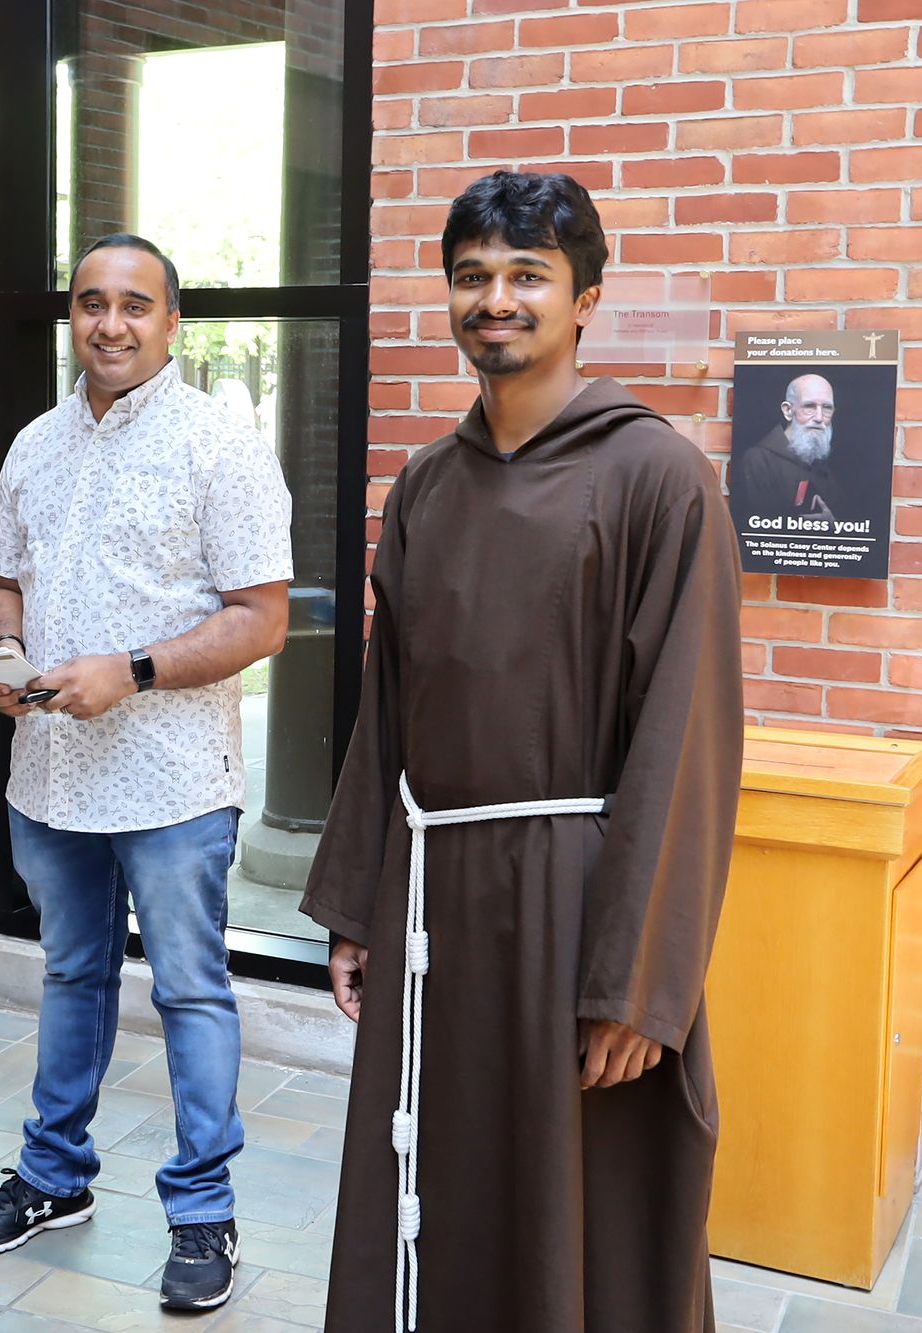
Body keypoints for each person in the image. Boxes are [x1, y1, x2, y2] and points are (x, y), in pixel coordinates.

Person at [300, 171, 743, 1332]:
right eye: (470, 277)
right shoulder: (425, 485)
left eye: (524, 276)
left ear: (584, 296)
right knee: (434, 1178)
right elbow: (387, 708)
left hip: (573, 913)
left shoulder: (657, 477)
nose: (493, 301)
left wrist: (637, 982)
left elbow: (682, 739)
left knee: (575, 1206)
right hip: (434, 903)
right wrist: (357, 901)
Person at [0, 233, 293, 1313]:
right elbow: (3, 581)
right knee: (69, 979)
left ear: (170, 322)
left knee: (190, 990)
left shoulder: (220, 443)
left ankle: (202, 1210)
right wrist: (3, 656)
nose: (109, 324)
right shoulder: (36, 442)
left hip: (172, 778)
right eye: (91, 303)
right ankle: (54, 1178)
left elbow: (261, 620)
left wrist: (134, 670)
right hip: (49, 773)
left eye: (133, 305)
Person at [732, 373, 844, 524]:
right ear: (788, 411)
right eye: (809, 407)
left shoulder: (820, 466)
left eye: (827, 408)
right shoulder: (758, 461)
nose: (819, 417)